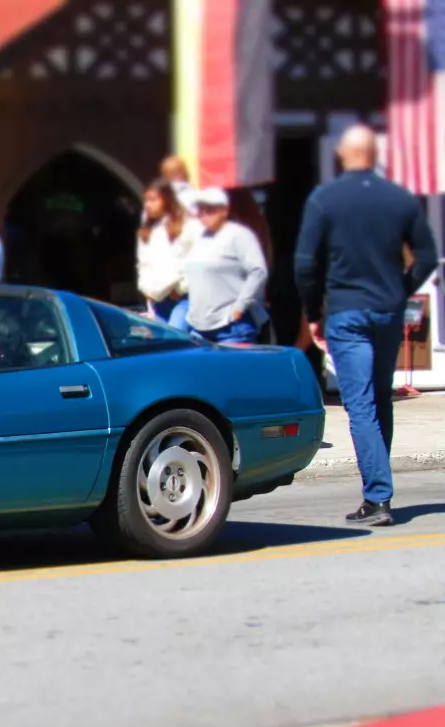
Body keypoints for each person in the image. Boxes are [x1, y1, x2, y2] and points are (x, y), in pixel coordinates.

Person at [293, 123, 439, 527]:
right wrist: (401, 290)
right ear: (375, 155)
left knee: (360, 405)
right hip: (387, 310)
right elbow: (427, 257)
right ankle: (377, 491)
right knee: (378, 398)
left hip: (346, 311)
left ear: (343, 155)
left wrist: (314, 313)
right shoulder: (400, 199)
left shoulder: (324, 199)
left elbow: (305, 265)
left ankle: (378, 498)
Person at [183, 187, 271, 344]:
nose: (203, 214)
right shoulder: (200, 236)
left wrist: (240, 306)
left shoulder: (239, 234)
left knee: (234, 369)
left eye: (209, 209)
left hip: (232, 327)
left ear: (224, 210)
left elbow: (258, 271)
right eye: (200, 209)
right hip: (199, 326)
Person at [136, 178, 201, 330]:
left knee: (176, 336)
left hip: (183, 298)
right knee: (162, 344)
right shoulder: (150, 229)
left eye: (153, 200)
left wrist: (181, 287)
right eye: (146, 200)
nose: (148, 205)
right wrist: (149, 295)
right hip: (158, 300)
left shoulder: (188, 226)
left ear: (167, 198)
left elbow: (194, 260)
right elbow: (145, 264)